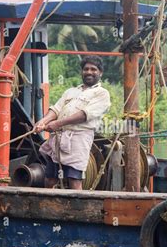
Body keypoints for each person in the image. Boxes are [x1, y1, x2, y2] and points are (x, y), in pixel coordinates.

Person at [34, 55, 110, 190]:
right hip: (58, 139)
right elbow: (56, 109)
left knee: (74, 178)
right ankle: (49, 206)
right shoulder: (70, 92)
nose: (89, 72)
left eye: (93, 69)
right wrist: (42, 121)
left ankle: (77, 209)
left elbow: (84, 115)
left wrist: (58, 124)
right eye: (86, 69)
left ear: (100, 73)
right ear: (82, 71)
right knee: (50, 178)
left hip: (79, 140)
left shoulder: (102, 93)